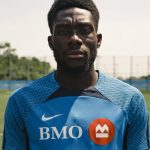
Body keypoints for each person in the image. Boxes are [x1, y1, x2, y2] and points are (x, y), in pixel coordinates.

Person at [2, 0, 149, 149]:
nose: (74, 39)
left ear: (98, 40)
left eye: (84, 30)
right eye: (63, 31)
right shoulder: (22, 101)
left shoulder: (129, 100)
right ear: (51, 42)